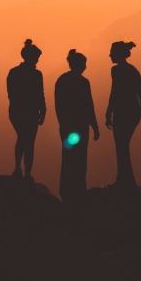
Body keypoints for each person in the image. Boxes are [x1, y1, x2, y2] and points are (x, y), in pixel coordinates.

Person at [55, 49, 100, 202]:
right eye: (84, 64)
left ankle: (67, 190)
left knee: (68, 158)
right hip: (80, 127)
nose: (86, 67)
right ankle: (78, 190)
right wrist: (94, 126)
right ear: (78, 64)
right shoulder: (82, 82)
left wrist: (63, 123)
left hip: (69, 127)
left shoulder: (62, 80)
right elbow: (89, 106)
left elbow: (59, 106)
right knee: (80, 159)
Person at [105, 41, 141, 189]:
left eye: (112, 52)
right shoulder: (128, 70)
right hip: (127, 111)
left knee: (121, 145)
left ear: (118, 54)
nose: (110, 54)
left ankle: (125, 181)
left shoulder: (122, 71)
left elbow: (139, 94)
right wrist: (109, 112)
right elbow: (118, 92)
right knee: (122, 146)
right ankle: (125, 179)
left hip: (127, 112)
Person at [7, 39, 46, 181]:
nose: (37, 61)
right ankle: (24, 172)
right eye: (36, 58)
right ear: (29, 57)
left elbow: (11, 94)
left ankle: (20, 170)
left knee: (24, 139)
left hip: (20, 112)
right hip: (26, 112)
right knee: (27, 141)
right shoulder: (35, 75)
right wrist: (42, 110)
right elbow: (39, 94)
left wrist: (43, 110)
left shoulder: (15, 72)